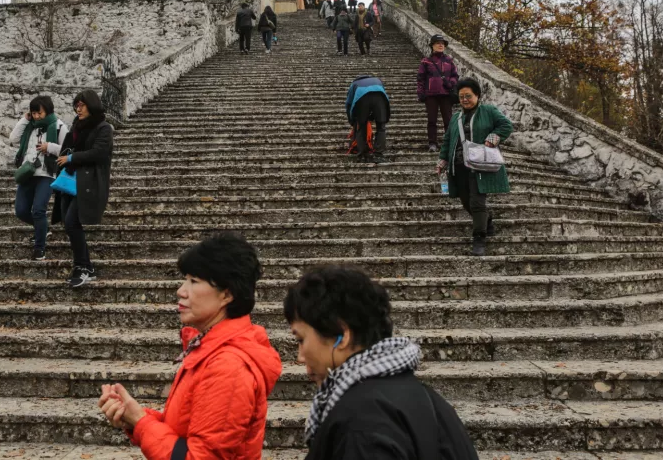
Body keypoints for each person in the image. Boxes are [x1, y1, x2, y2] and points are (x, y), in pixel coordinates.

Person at [98, 232, 282, 459]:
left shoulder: (228, 366)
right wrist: (135, 417)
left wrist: (141, 422)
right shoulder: (209, 347)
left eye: (194, 281)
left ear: (226, 294)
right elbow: (185, 433)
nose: (181, 291)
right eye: (185, 280)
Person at [284, 267, 480, 460]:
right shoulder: (423, 396)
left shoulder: (361, 421)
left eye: (301, 339)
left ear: (342, 336)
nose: (300, 356)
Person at [436, 77, 513, 256]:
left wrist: (493, 137)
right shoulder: (456, 117)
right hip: (459, 165)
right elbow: (448, 140)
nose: (464, 100)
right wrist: (442, 160)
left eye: (468, 96)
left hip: (480, 165)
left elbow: (506, 125)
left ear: (477, 95)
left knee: (477, 202)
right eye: (461, 96)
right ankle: (487, 220)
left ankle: (479, 238)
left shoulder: (488, 111)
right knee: (465, 201)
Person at [52, 90, 114, 287]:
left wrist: (71, 158)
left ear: (91, 105)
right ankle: (84, 266)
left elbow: (100, 152)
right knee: (69, 223)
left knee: (71, 221)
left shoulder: (104, 128)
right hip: (71, 181)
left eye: (81, 105)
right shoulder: (76, 127)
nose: (78, 109)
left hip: (90, 183)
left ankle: (83, 266)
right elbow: (68, 147)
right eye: (76, 106)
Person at [9, 96, 69, 260]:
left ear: (48, 111)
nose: (36, 116)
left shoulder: (59, 126)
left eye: (39, 113)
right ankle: (43, 229)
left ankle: (39, 248)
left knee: (38, 210)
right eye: (33, 113)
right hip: (27, 173)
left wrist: (48, 147)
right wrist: (24, 119)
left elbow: (68, 150)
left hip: (47, 174)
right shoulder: (30, 126)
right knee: (21, 211)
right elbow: (13, 139)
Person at [417, 34, 460, 152]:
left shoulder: (449, 60)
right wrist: (420, 93)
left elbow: (455, 76)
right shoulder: (426, 61)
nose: (441, 45)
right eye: (438, 43)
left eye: (442, 43)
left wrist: (451, 83)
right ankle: (432, 143)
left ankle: (450, 142)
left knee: (448, 120)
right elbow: (420, 78)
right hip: (431, 95)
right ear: (432, 46)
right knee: (432, 120)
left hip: (446, 94)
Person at [345, 75, 390, 164]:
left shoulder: (354, 83)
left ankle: (362, 154)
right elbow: (384, 96)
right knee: (381, 127)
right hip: (379, 97)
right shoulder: (377, 80)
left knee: (361, 127)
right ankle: (378, 154)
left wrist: (352, 120)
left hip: (362, 98)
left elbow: (349, 103)